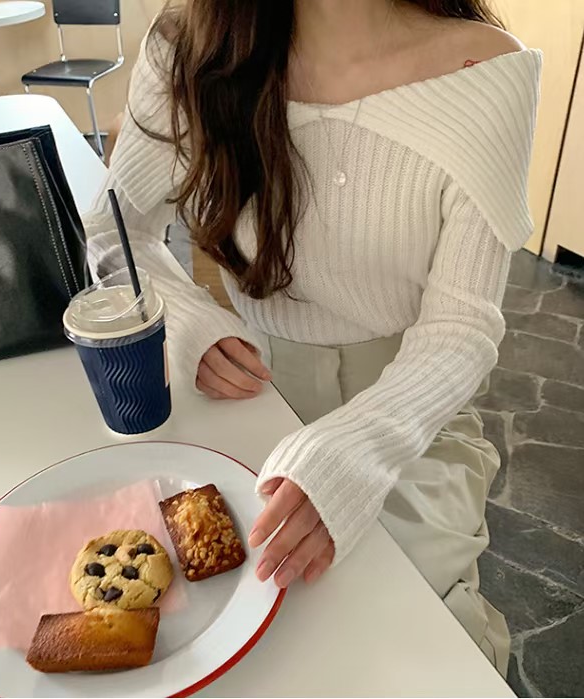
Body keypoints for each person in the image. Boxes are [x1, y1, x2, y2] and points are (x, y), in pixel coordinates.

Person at [84, 0, 542, 674]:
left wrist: (357, 451)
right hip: (245, 391)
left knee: (422, 647)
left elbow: (462, 327)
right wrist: (186, 321)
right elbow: (113, 230)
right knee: (226, 644)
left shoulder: (484, 72)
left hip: (411, 416)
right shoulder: (189, 44)